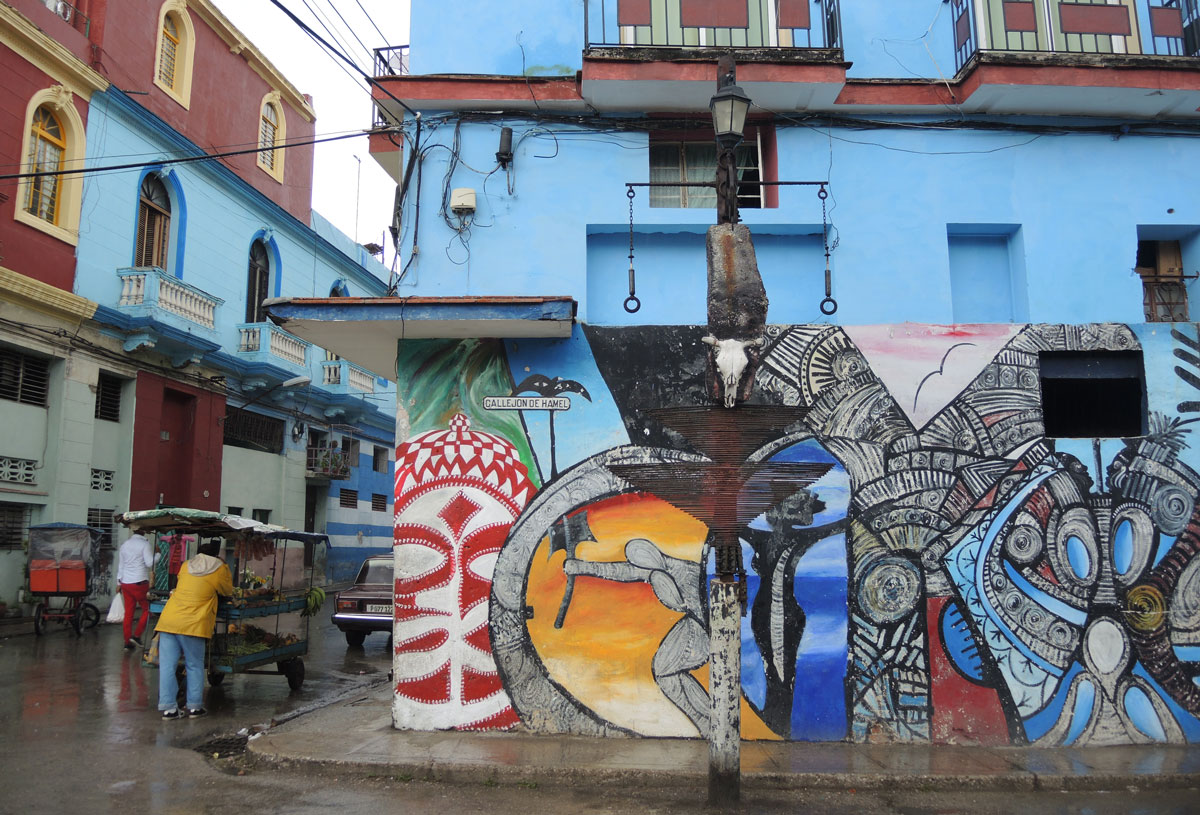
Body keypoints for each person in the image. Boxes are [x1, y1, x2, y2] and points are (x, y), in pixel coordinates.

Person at [154, 538, 232, 719]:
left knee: (167, 666)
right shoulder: (219, 568)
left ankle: (169, 709)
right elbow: (227, 591)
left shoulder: (187, 565)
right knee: (194, 665)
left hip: (170, 620)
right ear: (216, 555)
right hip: (194, 623)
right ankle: (194, 707)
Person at [117, 531, 159, 650]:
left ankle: (127, 642)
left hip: (126, 583)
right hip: (139, 582)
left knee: (129, 613)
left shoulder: (125, 544)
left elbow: (121, 565)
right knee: (147, 609)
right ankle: (137, 635)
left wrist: (118, 582)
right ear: (143, 532)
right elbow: (149, 562)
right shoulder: (144, 544)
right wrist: (158, 555)